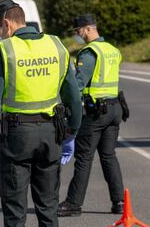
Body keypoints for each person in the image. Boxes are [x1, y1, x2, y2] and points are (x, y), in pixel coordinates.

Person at [0, 0, 82, 227]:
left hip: (17, 137)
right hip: (52, 134)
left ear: (6, 23)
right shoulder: (56, 45)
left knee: (15, 211)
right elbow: (74, 95)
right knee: (48, 207)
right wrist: (72, 131)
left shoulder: (4, 51)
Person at [57, 14, 125, 216]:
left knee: (84, 158)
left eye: (77, 31)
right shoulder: (113, 50)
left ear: (87, 29)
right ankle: (119, 202)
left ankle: (73, 204)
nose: (77, 35)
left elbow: (78, 86)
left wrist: (68, 109)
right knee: (108, 155)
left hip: (96, 112)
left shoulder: (89, 53)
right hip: (115, 109)